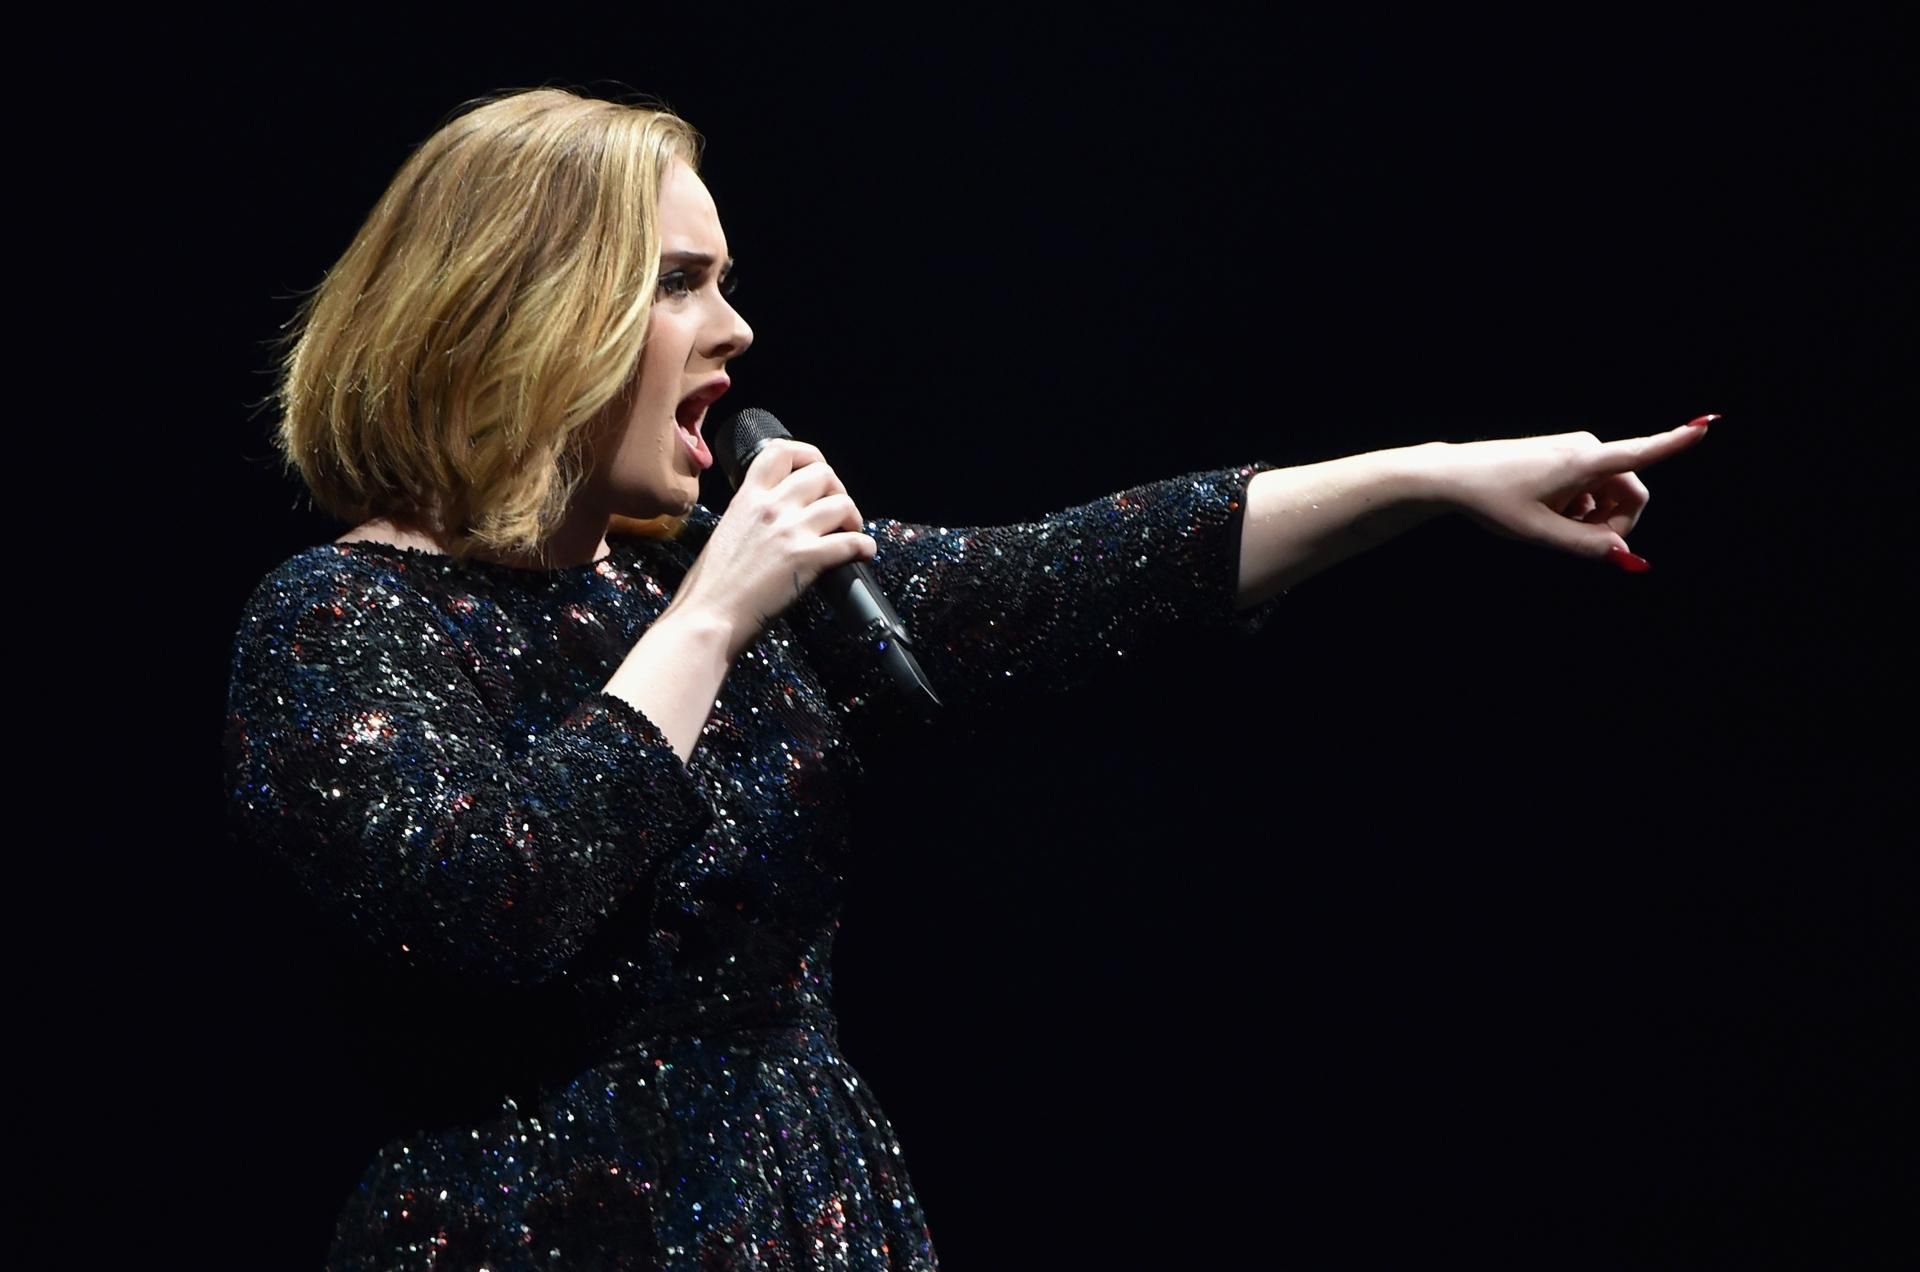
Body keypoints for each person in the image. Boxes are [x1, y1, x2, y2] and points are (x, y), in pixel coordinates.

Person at [222, 87, 1712, 1269]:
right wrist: (713, 618)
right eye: (680, 284)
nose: (736, 329)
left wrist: (1430, 475)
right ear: (528, 312)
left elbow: (1085, 571)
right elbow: (498, 901)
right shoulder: (340, 620)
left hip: (805, 1212)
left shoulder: (704, 587)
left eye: (726, 281)